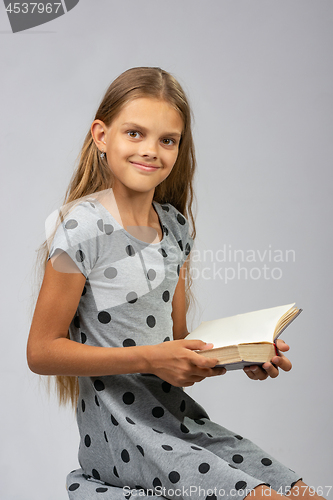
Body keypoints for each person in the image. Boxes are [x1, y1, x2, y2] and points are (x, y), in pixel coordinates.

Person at [27, 67, 322, 500]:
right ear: (101, 135)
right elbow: (41, 351)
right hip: (124, 435)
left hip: (179, 420)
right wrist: (153, 357)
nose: (151, 150)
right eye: (134, 133)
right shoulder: (82, 227)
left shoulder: (177, 228)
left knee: (301, 493)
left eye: (167, 140)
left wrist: (240, 356)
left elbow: (177, 347)